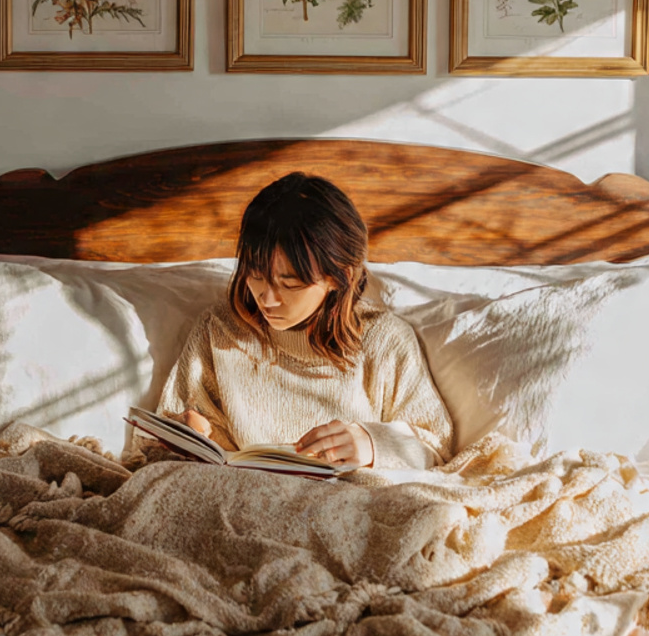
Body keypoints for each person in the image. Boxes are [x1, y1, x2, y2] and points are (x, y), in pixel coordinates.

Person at [154, 172, 453, 470]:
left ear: (340, 277)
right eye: (256, 276)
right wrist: (183, 432)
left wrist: (371, 445)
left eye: (290, 283)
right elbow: (156, 443)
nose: (266, 299)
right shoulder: (218, 329)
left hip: (342, 503)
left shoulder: (384, 340)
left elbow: (436, 448)